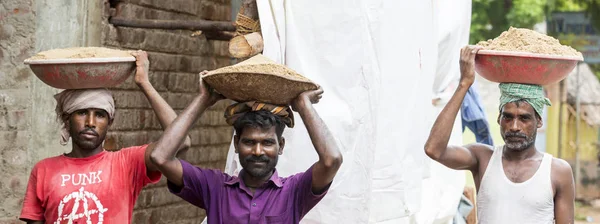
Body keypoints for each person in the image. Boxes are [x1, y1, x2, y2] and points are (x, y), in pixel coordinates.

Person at [19, 50, 191, 224]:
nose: (91, 122)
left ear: (110, 122)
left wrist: (145, 83)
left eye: (100, 115)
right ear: (66, 118)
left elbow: (181, 142)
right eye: (81, 112)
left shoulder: (127, 163)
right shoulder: (44, 170)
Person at [149, 71, 343, 223]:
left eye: (267, 142)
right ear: (236, 144)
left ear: (280, 146)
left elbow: (331, 160)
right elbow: (161, 157)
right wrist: (203, 100)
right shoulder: (215, 187)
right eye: (249, 142)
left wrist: (303, 106)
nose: (258, 152)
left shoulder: (293, 191)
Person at [424, 45, 575, 223]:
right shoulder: (483, 159)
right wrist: (464, 84)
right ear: (499, 119)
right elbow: (434, 149)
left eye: (524, 118)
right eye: (508, 117)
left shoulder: (557, 171)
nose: (514, 127)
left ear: (539, 121)